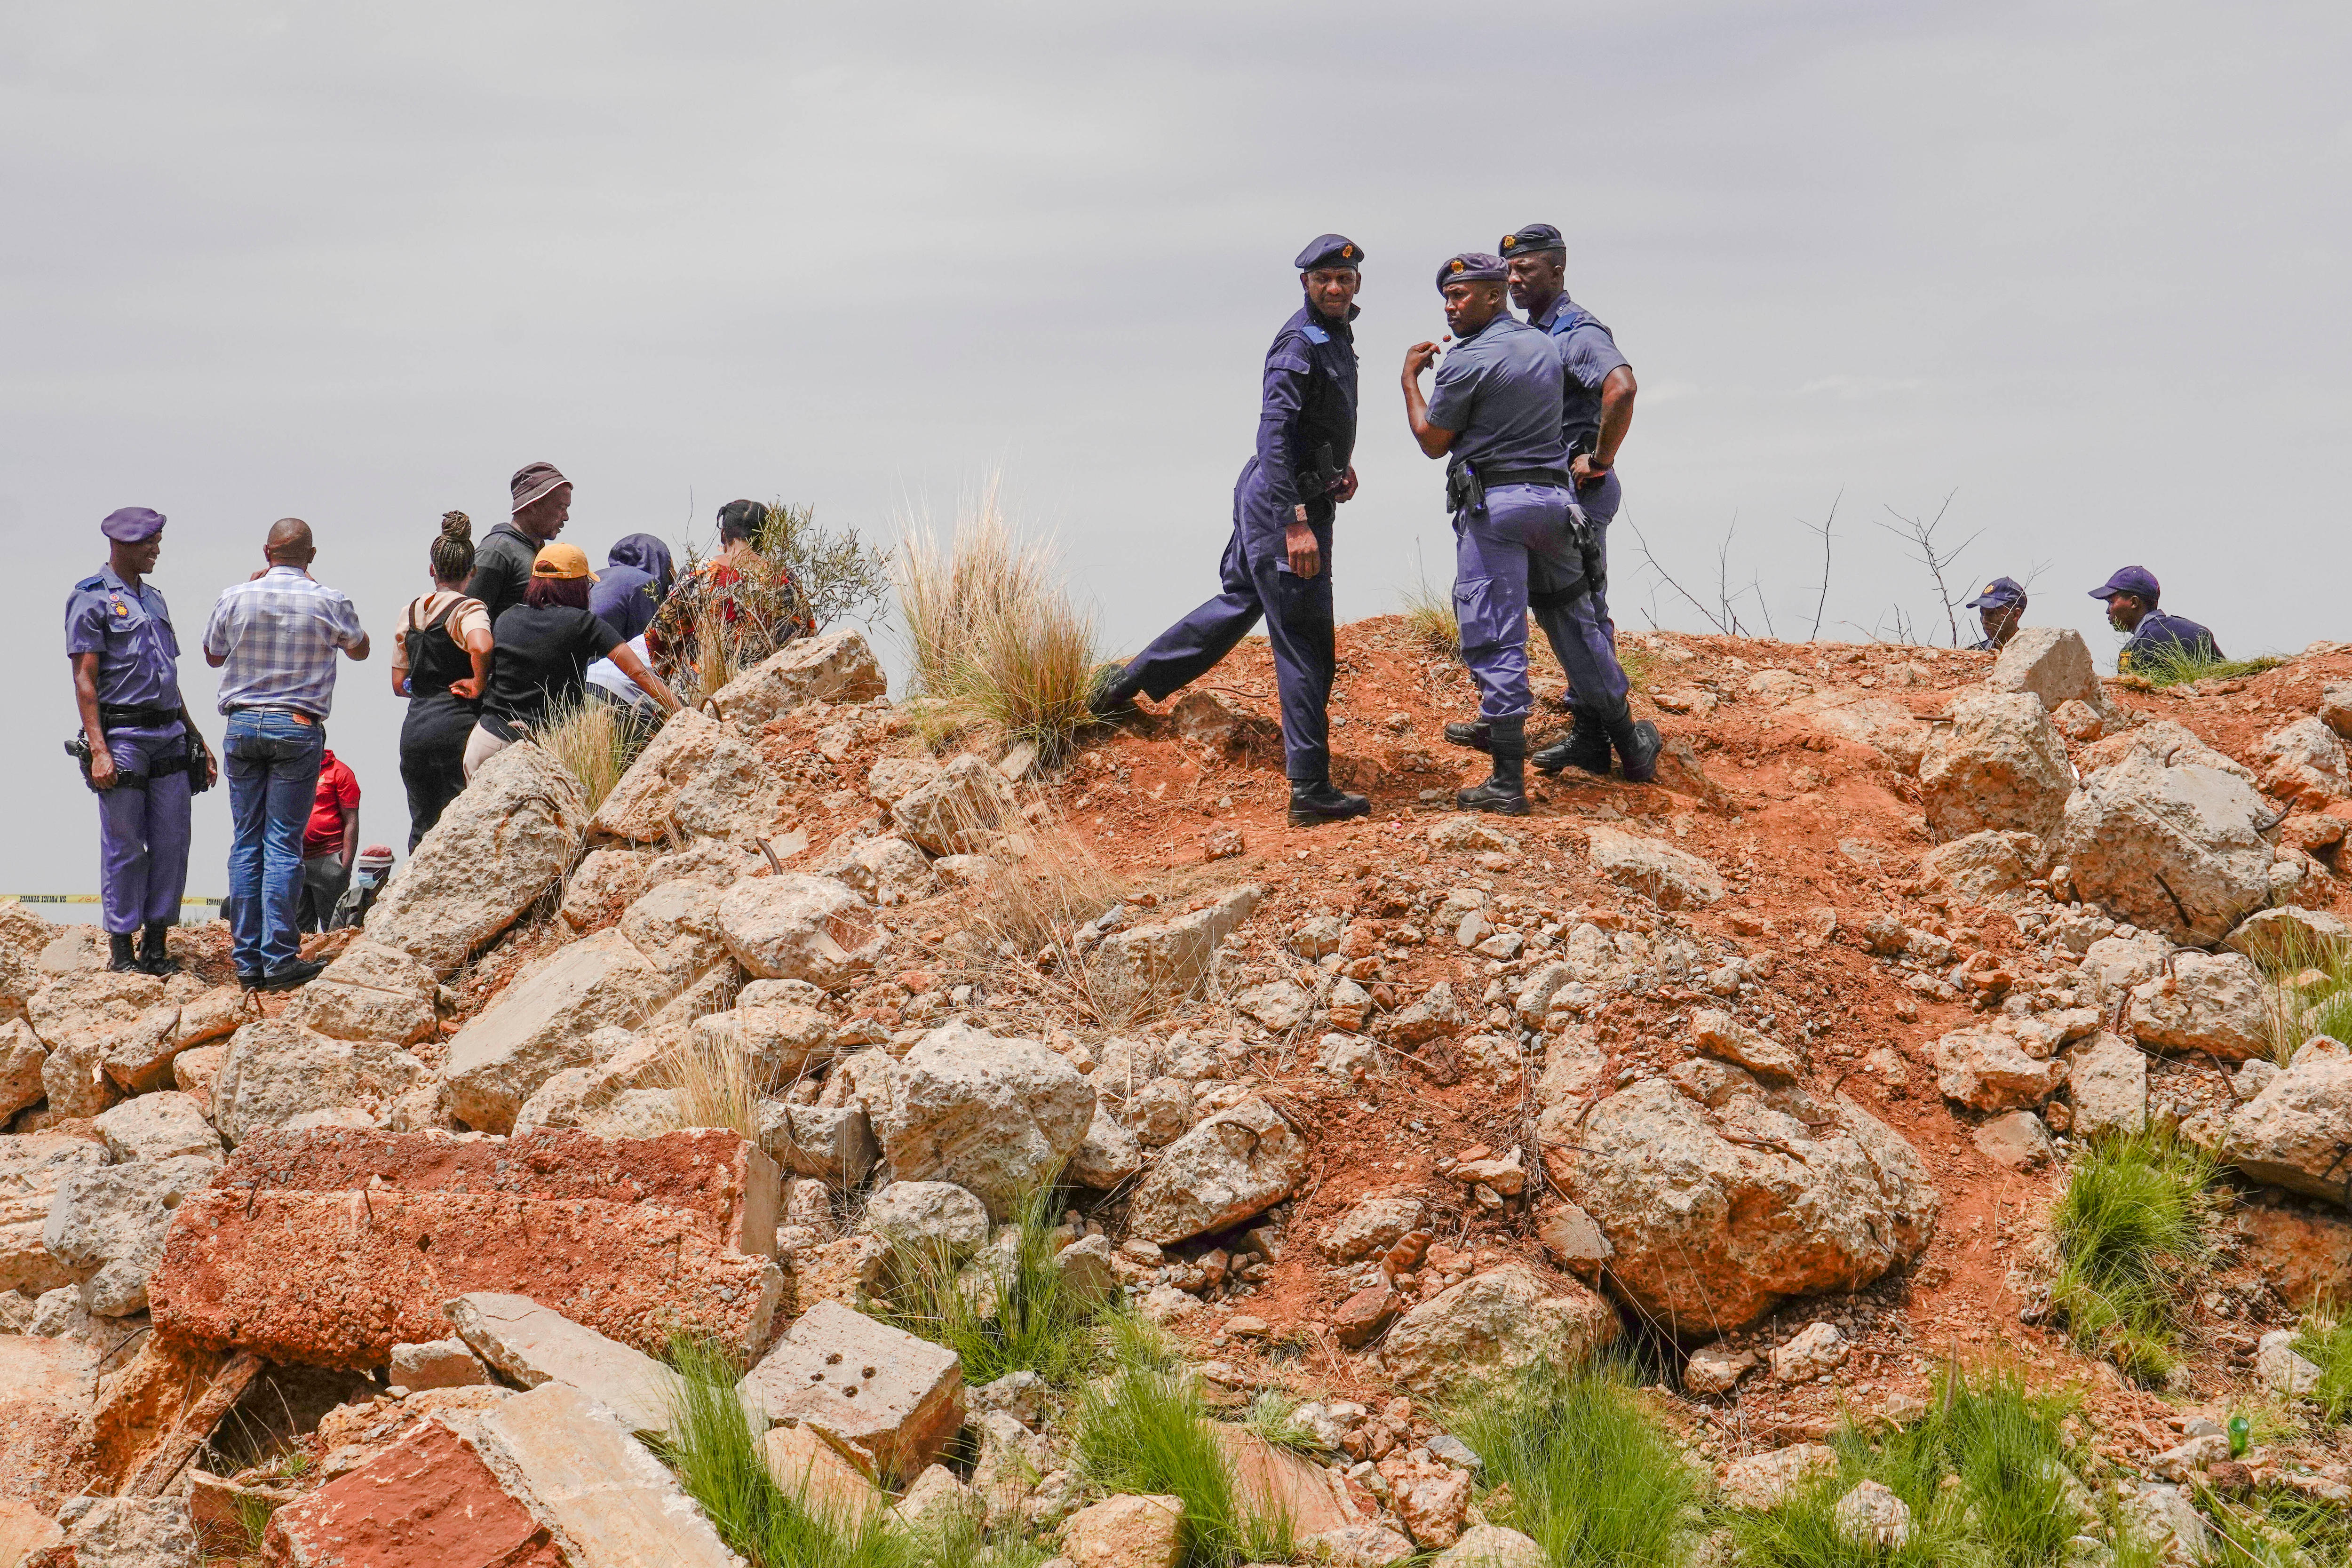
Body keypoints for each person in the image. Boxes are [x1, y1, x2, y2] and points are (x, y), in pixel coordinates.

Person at [1086, 235, 1371, 827]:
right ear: (1305, 285)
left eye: (1343, 279)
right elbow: (1272, 435)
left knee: (1240, 601)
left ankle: (1122, 685)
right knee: (1304, 642)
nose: (1335, 288)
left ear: (1357, 285)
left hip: (1289, 492)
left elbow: (1311, 426)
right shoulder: (1299, 343)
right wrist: (1295, 519)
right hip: (1281, 503)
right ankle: (1310, 788)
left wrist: (1336, 473)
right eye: (1323, 279)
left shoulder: (1335, 336)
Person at [1405, 253, 1657, 816]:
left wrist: (1407, 379)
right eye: (1446, 297)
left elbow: (1432, 440)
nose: (1450, 306)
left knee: (1496, 633)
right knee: (1575, 621)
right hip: (1556, 506)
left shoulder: (1466, 360)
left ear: (1493, 296)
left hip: (1497, 511)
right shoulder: (1546, 345)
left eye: (1461, 295)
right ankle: (1631, 747)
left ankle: (1506, 782)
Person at [202, 518, 369, 989]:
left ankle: (246, 959)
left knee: (247, 840)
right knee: (282, 843)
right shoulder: (328, 600)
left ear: (266, 552)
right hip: (296, 725)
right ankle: (278, 957)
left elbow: (213, 655)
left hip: (241, 723)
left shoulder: (235, 596)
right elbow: (360, 649)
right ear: (310, 556)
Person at [1500, 222, 1640, 775]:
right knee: (1568, 609)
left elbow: (1621, 387)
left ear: (1556, 270)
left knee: (1578, 610)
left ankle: (1601, 736)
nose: (1513, 278)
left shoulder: (1575, 330)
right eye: (1508, 270)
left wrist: (1600, 459)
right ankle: (1594, 735)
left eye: (1525, 270)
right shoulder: (1534, 331)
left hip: (1580, 495)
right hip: (1553, 495)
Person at [64, 507, 217, 974]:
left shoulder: (154, 599)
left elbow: (169, 676)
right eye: (150, 542)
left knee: (173, 841)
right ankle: (122, 952)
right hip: (123, 736)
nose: (157, 550)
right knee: (125, 845)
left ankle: (156, 944)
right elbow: (85, 680)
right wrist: (99, 750)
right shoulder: (90, 599)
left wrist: (198, 737)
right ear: (124, 545)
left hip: (169, 732)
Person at [466, 542, 684, 778]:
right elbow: (639, 673)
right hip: (534, 751)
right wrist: (683, 714)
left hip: (485, 741)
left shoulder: (506, 617)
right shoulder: (584, 624)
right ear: (577, 587)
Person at [392, 512, 493, 849]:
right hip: (457, 727)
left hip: (415, 729)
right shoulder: (468, 608)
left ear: (433, 569)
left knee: (422, 826)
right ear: (472, 571)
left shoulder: (410, 612)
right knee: (460, 824)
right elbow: (481, 645)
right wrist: (478, 683)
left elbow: (398, 683)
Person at [646, 501, 811, 695]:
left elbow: (659, 635)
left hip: (699, 691)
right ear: (767, 537)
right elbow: (805, 636)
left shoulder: (699, 574)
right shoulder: (784, 579)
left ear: (724, 533)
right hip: (764, 691)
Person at [468, 462, 572, 621]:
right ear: (534, 506)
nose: (566, 517)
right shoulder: (496, 552)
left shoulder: (535, 552)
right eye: (561, 507)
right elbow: (465, 619)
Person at [2091, 565, 2223, 670]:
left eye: (2111, 602)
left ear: (2134, 603)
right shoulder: (2198, 632)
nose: (2108, 611)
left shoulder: (2136, 648)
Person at [297, 749, 361, 932]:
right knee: (298, 927)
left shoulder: (340, 772)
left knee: (334, 926)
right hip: (296, 858)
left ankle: (335, 961)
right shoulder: (293, 769)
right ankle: (303, 960)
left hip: (329, 857)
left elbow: (351, 820)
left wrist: (344, 867)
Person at [590, 533, 675, 642]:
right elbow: (644, 644)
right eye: (668, 566)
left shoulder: (599, 576)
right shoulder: (646, 583)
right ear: (658, 561)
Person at [331, 844, 395, 929]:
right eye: (361, 868)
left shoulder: (396, 897)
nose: (363, 872)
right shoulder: (348, 899)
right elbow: (335, 935)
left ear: (385, 870)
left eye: (368, 868)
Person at [1964, 577, 2028, 651]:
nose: (1984, 620)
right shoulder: (1975, 653)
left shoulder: (2034, 653)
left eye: (1992, 613)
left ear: (2015, 615)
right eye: (1982, 613)